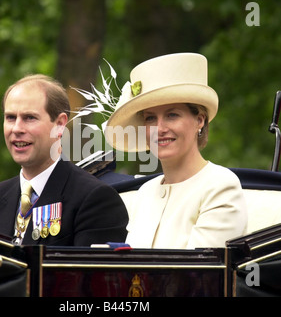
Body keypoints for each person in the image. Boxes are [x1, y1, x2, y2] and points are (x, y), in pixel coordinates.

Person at [104, 53, 247, 249]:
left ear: (200, 120)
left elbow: (199, 274)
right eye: (150, 118)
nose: (160, 128)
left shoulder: (220, 186)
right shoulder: (146, 191)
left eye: (172, 115)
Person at [0, 74, 128, 245]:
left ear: (59, 124)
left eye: (30, 118)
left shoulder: (95, 199)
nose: (17, 128)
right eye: (11, 117)